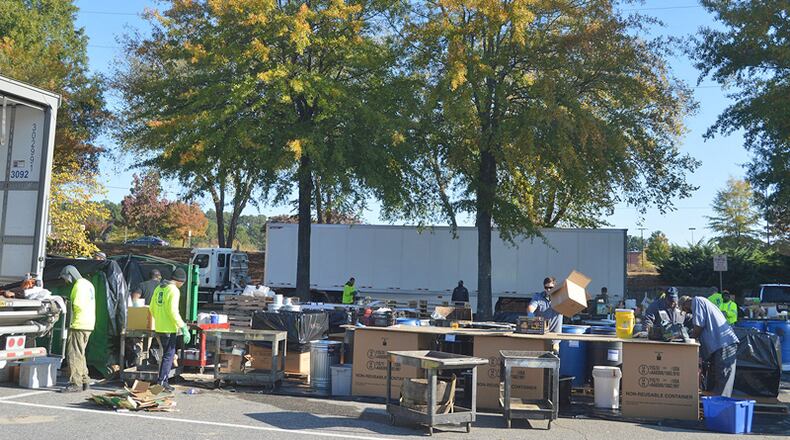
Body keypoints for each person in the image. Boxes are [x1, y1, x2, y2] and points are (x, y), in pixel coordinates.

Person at [680, 295, 739, 397]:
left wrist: (688, 338)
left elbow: (698, 326)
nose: (688, 313)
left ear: (685, 304)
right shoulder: (702, 302)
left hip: (724, 344)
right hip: (721, 344)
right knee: (720, 378)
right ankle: (717, 405)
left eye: (685, 310)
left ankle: (720, 408)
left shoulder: (697, 301)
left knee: (723, 379)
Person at [150, 268, 190, 392]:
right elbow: (173, 311)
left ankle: (162, 380)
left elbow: (151, 308)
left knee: (166, 354)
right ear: (180, 281)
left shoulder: (159, 288)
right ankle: (162, 382)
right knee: (168, 355)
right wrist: (183, 326)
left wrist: (159, 319)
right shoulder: (173, 290)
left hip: (159, 327)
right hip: (169, 328)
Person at [60, 266, 95, 393]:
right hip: (88, 323)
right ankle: (85, 380)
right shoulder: (88, 284)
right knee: (80, 353)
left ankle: (75, 383)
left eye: (66, 278)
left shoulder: (79, 286)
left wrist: (66, 305)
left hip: (79, 324)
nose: (66, 281)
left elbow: (77, 305)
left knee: (73, 354)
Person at [528, 277, 562, 351]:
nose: (548, 290)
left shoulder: (561, 298)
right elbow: (531, 307)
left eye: (551, 287)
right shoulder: (538, 297)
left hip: (555, 338)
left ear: (555, 287)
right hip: (541, 336)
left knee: (554, 357)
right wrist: (531, 314)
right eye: (546, 287)